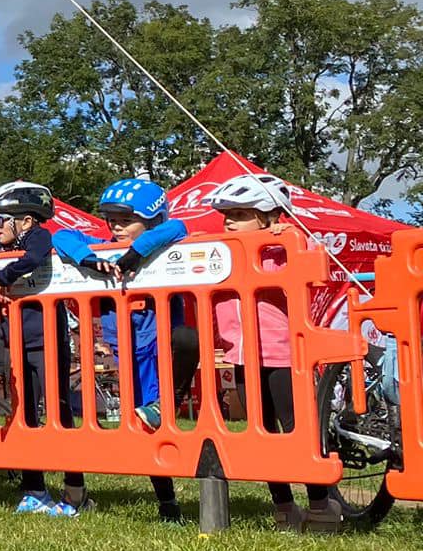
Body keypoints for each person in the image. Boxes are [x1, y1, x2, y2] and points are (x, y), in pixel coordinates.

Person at [51, 178, 197, 523]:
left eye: (125, 220)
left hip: (160, 349)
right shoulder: (103, 249)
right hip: (123, 355)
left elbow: (178, 225)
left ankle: (169, 406)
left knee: (186, 343)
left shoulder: (162, 243)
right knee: (146, 430)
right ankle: (168, 505)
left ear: (151, 221)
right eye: (110, 219)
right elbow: (61, 237)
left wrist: (136, 253)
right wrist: (88, 259)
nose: (115, 226)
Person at [206, 173, 344, 532]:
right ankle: (283, 507)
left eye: (240, 214)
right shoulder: (221, 258)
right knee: (262, 433)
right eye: (226, 214)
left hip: (284, 356)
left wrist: (284, 240)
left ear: (270, 216)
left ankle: (320, 506)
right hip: (241, 357)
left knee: (299, 432)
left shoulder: (283, 252)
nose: (229, 222)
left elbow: (312, 267)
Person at [0, 181, 78, 517]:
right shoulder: (0, 242)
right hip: (17, 338)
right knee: (23, 410)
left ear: (25, 221)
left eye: (0, 220)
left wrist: (5, 276)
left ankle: (75, 487)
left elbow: (37, 256)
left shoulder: (38, 234)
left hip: (47, 338)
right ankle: (35, 490)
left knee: (60, 409)